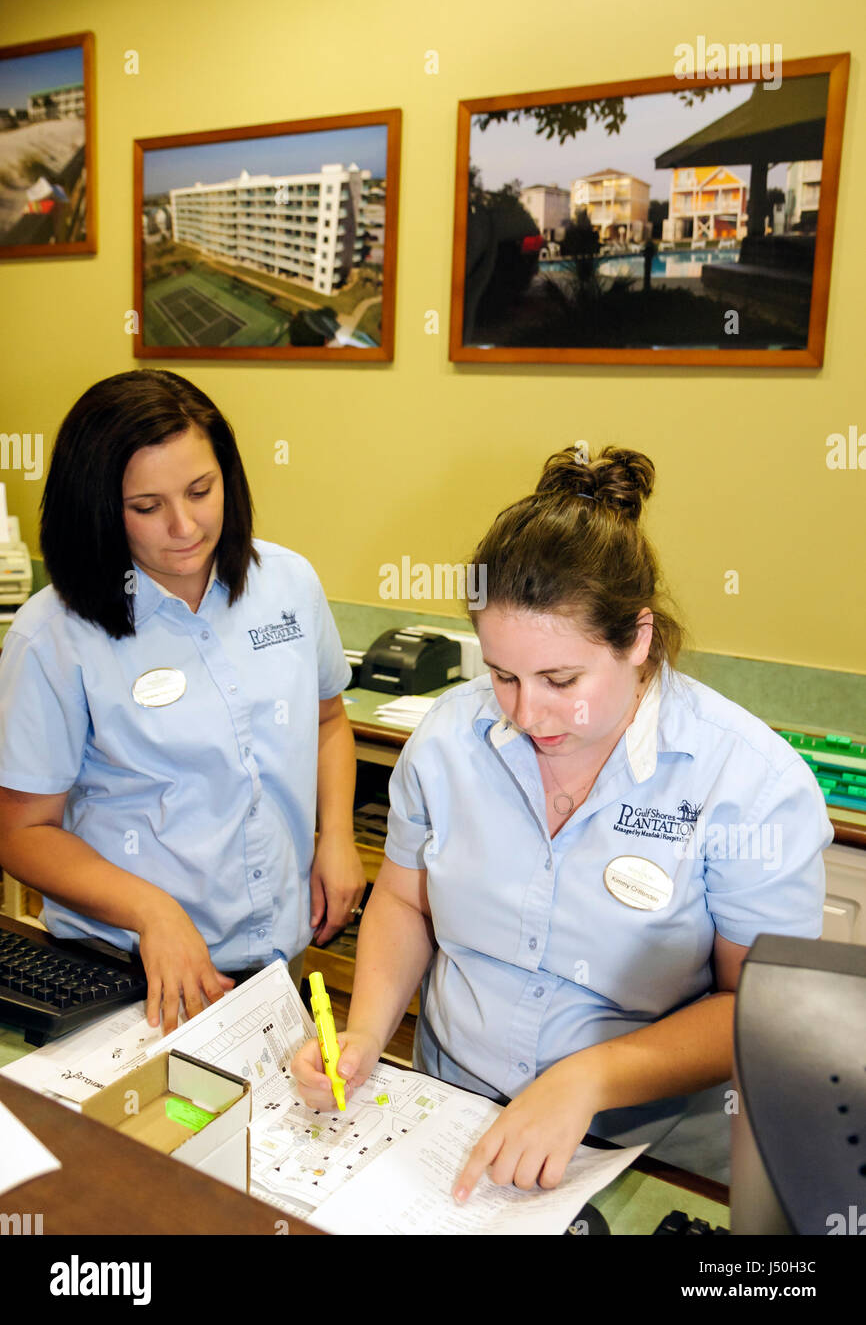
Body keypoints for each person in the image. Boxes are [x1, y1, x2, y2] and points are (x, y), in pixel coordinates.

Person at [292, 443, 833, 1198]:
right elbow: (407, 901)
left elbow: (757, 1008)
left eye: (560, 679)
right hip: (458, 1113)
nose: (525, 712)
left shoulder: (748, 784)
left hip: (647, 1152)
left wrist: (589, 1077)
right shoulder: (449, 739)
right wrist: (365, 1035)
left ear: (637, 639)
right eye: (502, 674)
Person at [0, 369, 365, 1033]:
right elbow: (23, 833)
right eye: (146, 507)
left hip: (275, 960)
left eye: (201, 491)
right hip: (123, 974)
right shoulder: (52, 635)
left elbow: (328, 718)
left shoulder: (287, 582)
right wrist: (152, 911)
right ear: (100, 508)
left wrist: (336, 836)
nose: (185, 525)